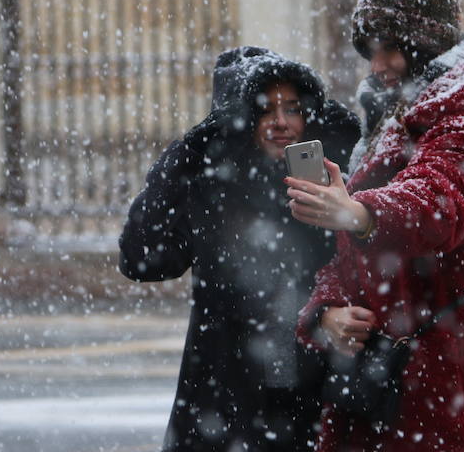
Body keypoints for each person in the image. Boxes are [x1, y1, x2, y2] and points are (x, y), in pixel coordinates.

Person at [287, 0, 464, 451]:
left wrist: (360, 212)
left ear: (427, 42)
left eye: (390, 48)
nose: (377, 66)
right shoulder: (394, 119)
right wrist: (327, 314)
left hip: (450, 390)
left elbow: (439, 203)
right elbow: (354, 256)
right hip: (385, 392)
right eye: (369, 50)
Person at [118, 46, 361, 451]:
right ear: (241, 118)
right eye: (266, 110)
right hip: (226, 405)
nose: (281, 122)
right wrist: (184, 157)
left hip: (318, 400)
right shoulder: (211, 190)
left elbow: (371, 271)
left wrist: (325, 314)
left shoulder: (334, 182)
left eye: (294, 108)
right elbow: (142, 260)